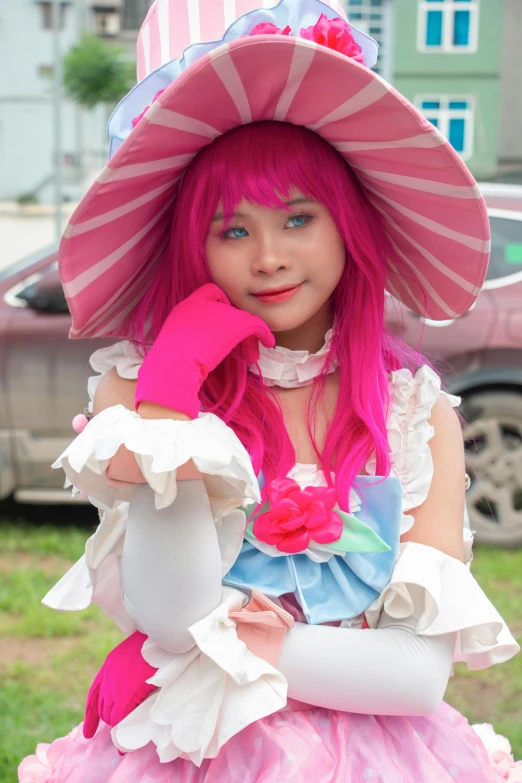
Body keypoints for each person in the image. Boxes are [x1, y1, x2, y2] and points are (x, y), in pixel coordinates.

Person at [19, 1, 522, 781]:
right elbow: (173, 614)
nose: (270, 258)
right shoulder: (141, 395)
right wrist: (170, 397)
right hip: (193, 747)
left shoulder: (412, 411)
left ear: (348, 226)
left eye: (297, 217)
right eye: (232, 230)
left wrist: (270, 646)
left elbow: (418, 674)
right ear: (196, 245)